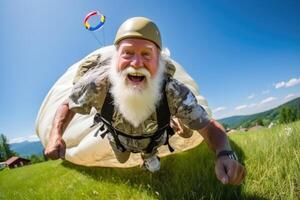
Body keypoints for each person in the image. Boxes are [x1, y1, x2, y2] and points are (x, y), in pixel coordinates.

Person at [45, 17, 245, 184]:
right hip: (118, 140)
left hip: (152, 140)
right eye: (128, 53)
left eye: (146, 55)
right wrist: (56, 134)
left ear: (159, 61)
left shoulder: (173, 91)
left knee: (152, 160)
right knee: (122, 159)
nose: (136, 63)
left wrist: (224, 154)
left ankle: (151, 153)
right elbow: (68, 105)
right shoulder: (97, 84)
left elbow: (209, 128)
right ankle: (136, 151)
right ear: (116, 58)